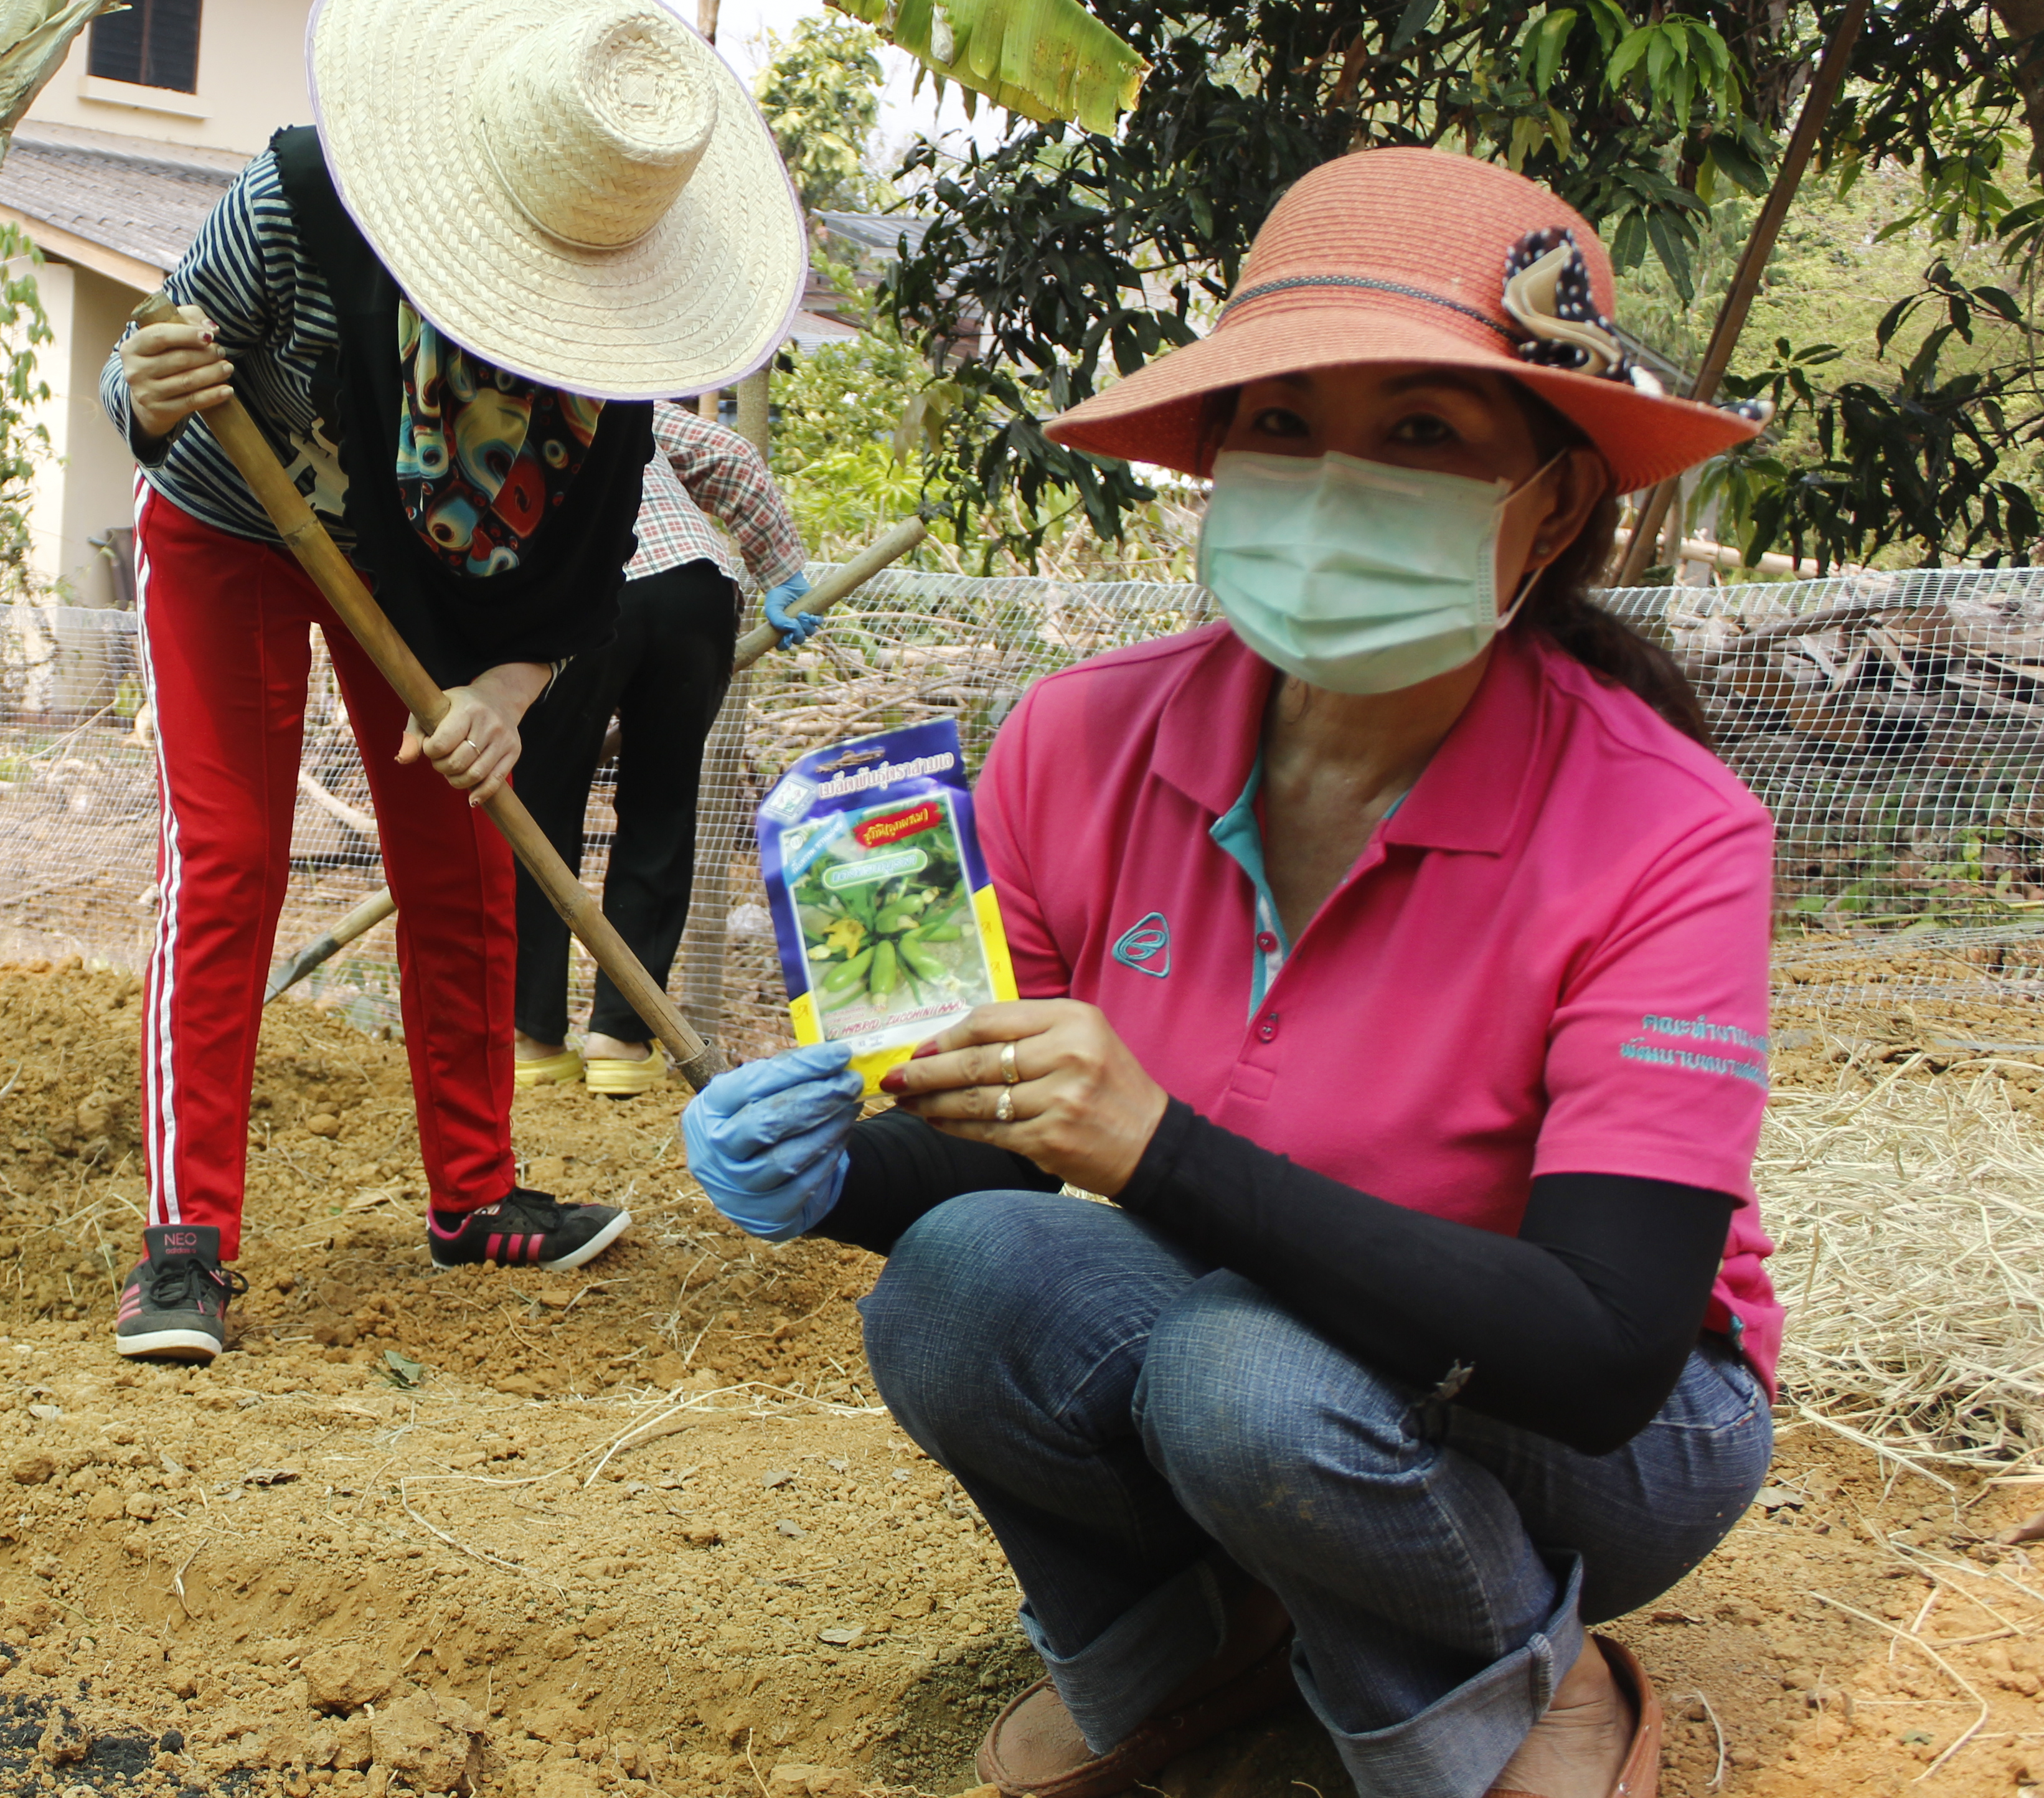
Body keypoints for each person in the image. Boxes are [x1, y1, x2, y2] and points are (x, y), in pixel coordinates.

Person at [678, 146, 1778, 1798]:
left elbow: (1609, 1350)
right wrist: (833, 1160)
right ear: (1214, 464)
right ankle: (1177, 1648)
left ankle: (1501, 1686)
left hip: (1600, 1433)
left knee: (1239, 1377)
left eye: (1421, 430)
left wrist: (1162, 1152)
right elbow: (1002, 1137)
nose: (1338, 482)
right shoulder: (1083, 736)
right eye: (1283, 421)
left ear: (1550, 502)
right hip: (1259, 1346)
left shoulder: (1666, 828)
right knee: (961, 1280)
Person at [104, 0, 807, 1363]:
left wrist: (507, 688)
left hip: (426, 581)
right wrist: (150, 383)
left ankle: (475, 1197)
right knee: (231, 852)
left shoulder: (617, 346)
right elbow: (150, 367)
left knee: (463, 857)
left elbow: (586, 560)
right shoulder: (298, 200)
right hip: (235, 524)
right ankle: (187, 1240)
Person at [511, 401, 816, 1096]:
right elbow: (731, 457)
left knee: (539, 812)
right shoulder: (615, 383)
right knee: (660, 811)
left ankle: (533, 1036)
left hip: (577, 596)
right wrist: (782, 573)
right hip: (691, 592)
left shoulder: (472, 396)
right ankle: (620, 1039)